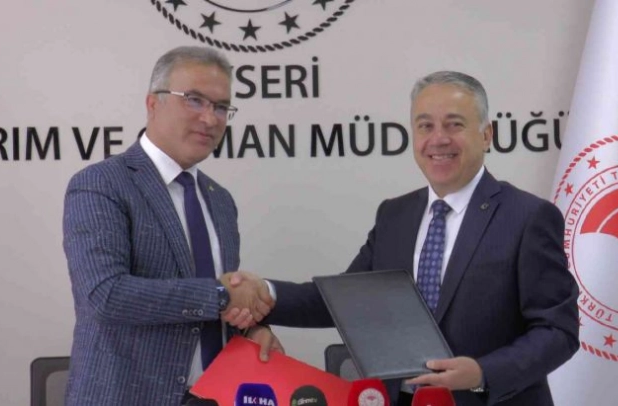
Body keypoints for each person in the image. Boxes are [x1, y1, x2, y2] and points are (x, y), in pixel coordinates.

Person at [228, 71, 579, 405]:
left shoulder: (528, 217)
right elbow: (342, 303)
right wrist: (265, 292)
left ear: (487, 135)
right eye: (425, 126)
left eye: (454, 124)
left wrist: (482, 373)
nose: (438, 139)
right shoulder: (394, 216)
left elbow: (557, 331)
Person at [62, 46, 280, 406]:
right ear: (153, 103)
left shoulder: (220, 200)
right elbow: (105, 295)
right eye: (194, 100)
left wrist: (251, 328)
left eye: (221, 107)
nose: (210, 119)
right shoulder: (102, 183)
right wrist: (221, 295)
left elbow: (217, 303)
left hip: (217, 396)